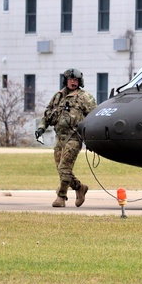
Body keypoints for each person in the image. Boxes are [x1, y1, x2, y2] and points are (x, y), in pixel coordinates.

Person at [35, 68, 97, 207]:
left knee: (64, 168)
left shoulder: (85, 98)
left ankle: (61, 197)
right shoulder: (58, 97)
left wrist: (93, 139)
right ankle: (80, 187)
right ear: (66, 81)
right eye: (70, 80)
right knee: (62, 170)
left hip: (74, 137)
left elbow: (95, 117)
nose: (73, 82)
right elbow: (47, 115)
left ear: (80, 81)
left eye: (75, 80)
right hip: (59, 138)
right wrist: (41, 128)